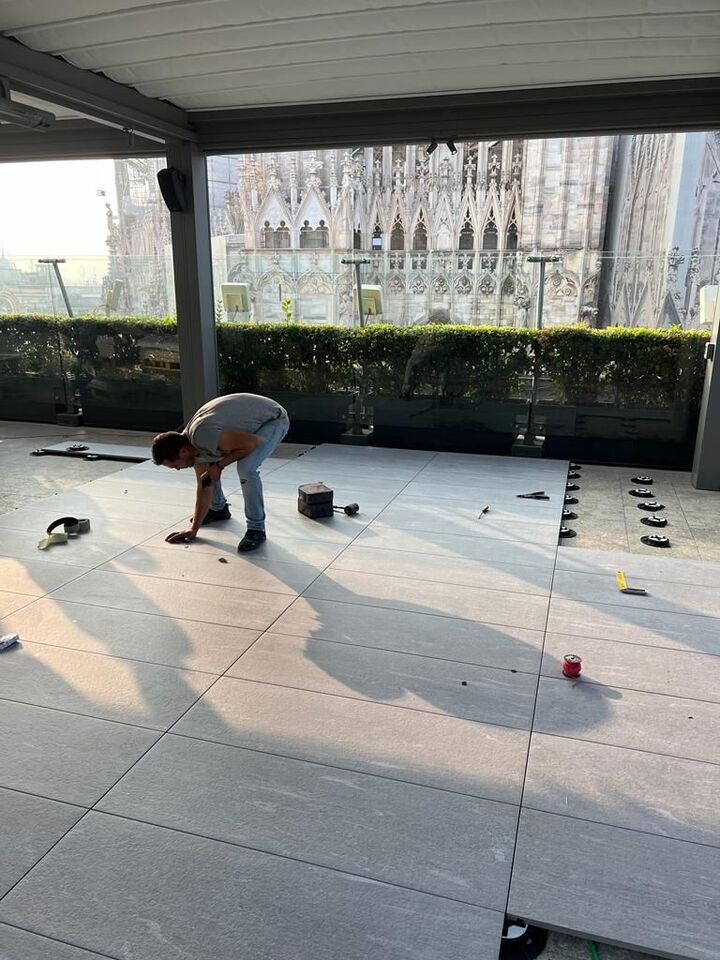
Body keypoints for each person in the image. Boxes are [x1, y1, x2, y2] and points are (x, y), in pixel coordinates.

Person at [151, 393, 289, 552]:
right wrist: (193, 529)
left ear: (182, 451)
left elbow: (251, 443)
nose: (178, 469)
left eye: (174, 465)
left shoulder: (203, 437)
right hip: (252, 420)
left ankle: (257, 529)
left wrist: (219, 466)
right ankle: (218, 509)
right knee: (207, 473)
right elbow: (204, 486)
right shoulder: (192, 447)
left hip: (273, 419)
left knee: (246, 468)